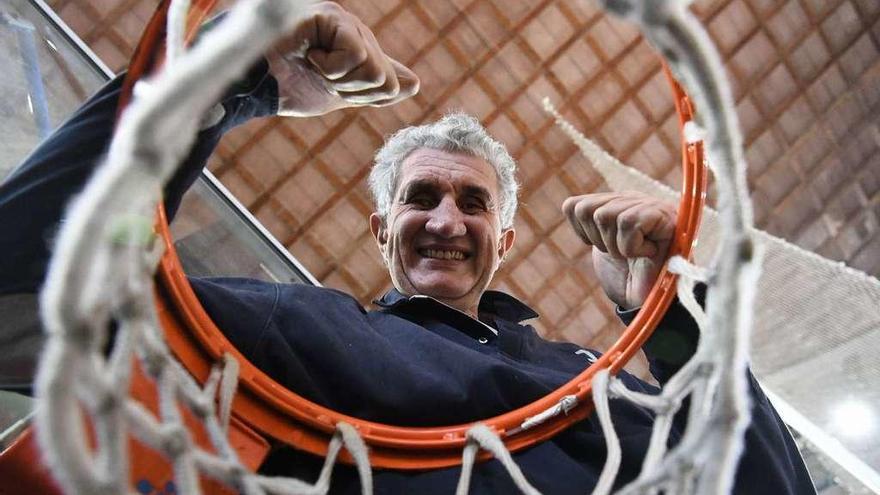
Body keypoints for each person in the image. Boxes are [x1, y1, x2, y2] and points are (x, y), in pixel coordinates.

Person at [0, 2, 814, 493]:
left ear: (506, 235)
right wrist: (232, 76)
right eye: (420, 197)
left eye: (473, 202)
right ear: (381, 227)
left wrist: (673, 308)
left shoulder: (582, 383)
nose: (446, 220)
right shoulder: (297, 327)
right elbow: (22, 288)